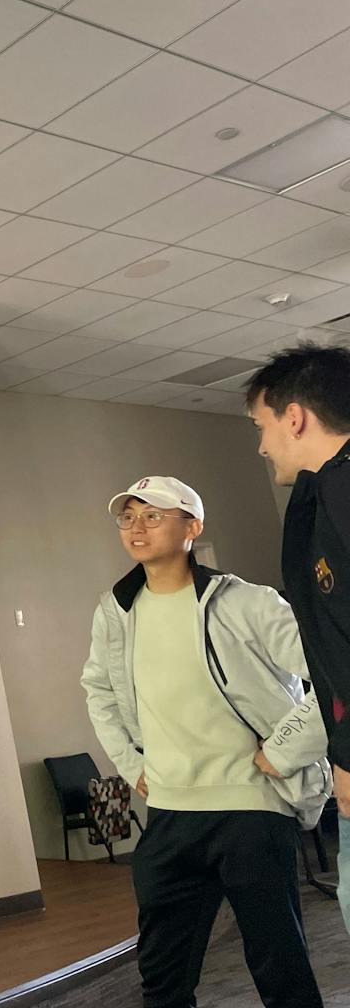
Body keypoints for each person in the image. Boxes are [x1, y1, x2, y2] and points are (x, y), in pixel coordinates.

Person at [83, 476, 328, 1008]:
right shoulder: (116, 611)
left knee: (280, 967)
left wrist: (285, 749)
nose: (137, 527)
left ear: (192, 527)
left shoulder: (248, 603)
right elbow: (98, 692)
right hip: (170, 814)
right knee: (163, 980)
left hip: (251, 809)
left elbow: (333, 674)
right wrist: (130, 765)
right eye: (128, 516)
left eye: (153, 516)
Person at [245, 344, 350, 935]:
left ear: (294, 417)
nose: (262, 446)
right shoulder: (323, 496)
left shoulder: (342, 492)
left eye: (261, 426)